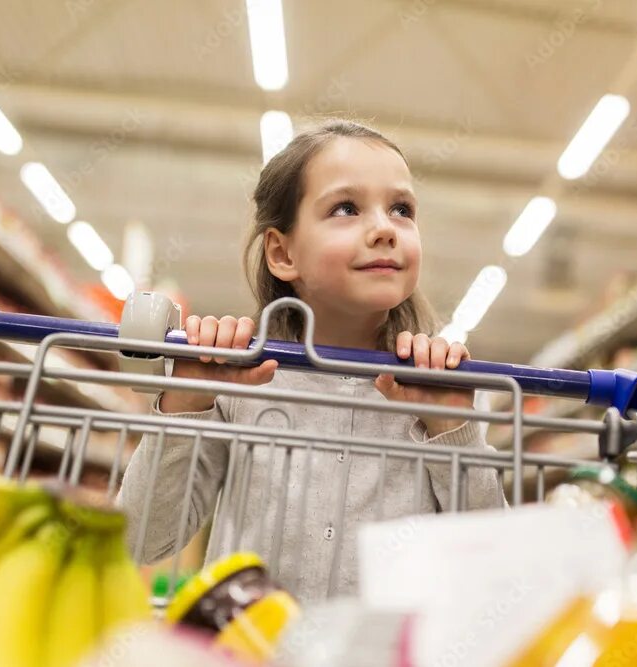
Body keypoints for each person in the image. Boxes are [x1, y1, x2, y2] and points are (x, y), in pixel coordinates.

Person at [118, 119, 506, 601]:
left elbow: (493, 565)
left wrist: (454, 431)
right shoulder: (241, 381)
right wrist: (187, 403)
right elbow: (139, 539)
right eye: (347, 208)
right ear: (282, 254)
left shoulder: (439, 389)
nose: (385, 229)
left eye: (401, 209)